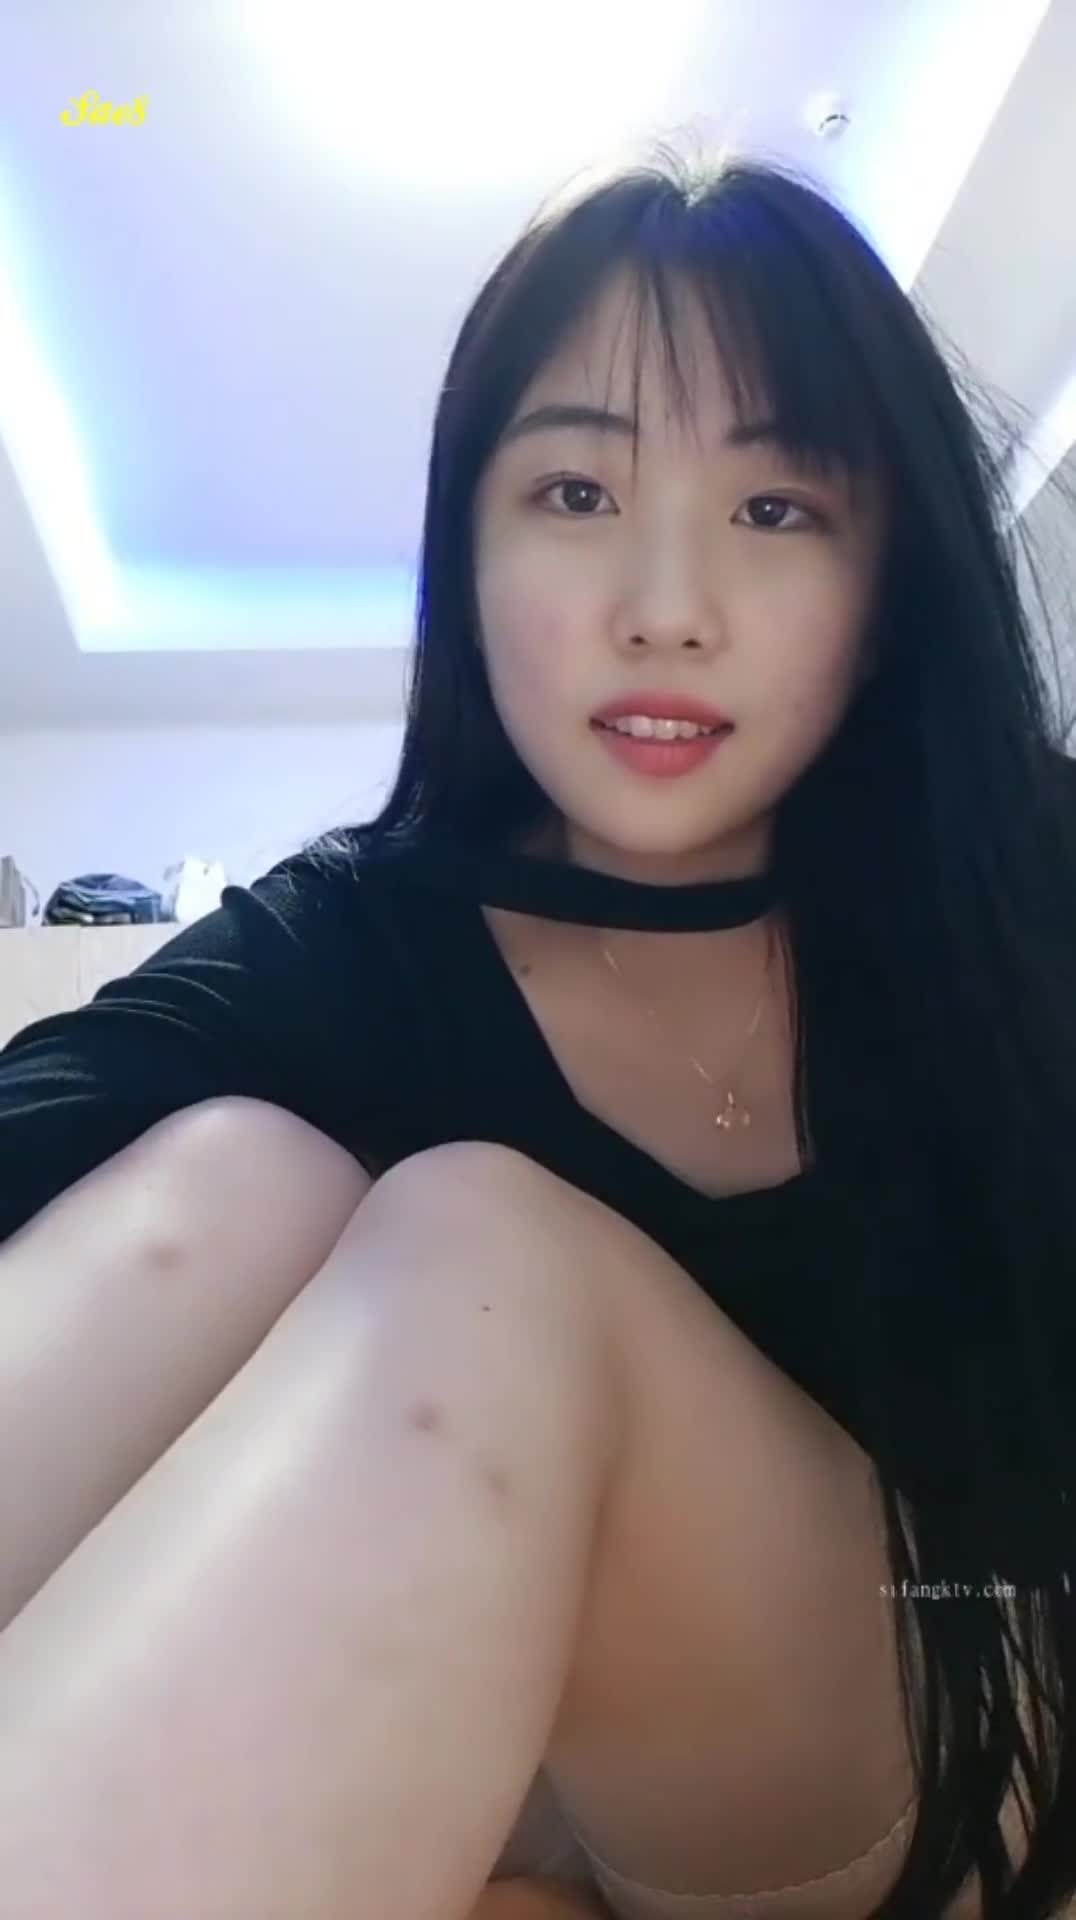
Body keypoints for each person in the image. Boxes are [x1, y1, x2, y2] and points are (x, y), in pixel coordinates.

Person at [1, 147, 1075, 1920]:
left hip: (964, 1710)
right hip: (557, 1768)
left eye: (775, 509)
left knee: (481, 1237)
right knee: (233, 1170)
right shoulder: (369, 933)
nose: (666, 605)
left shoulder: (1022, 873)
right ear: (469, 552)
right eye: (577, 492)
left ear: (886, 589)